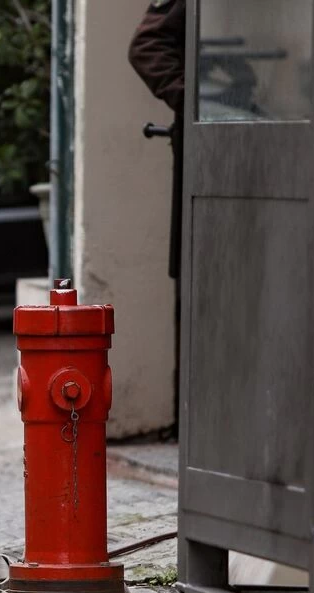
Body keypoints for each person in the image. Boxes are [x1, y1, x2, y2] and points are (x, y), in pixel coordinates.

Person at [128, 0, 186, 441]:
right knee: (196, 275)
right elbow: (147, 44)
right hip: (212, 139)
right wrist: (197, 99)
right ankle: (191, 417)